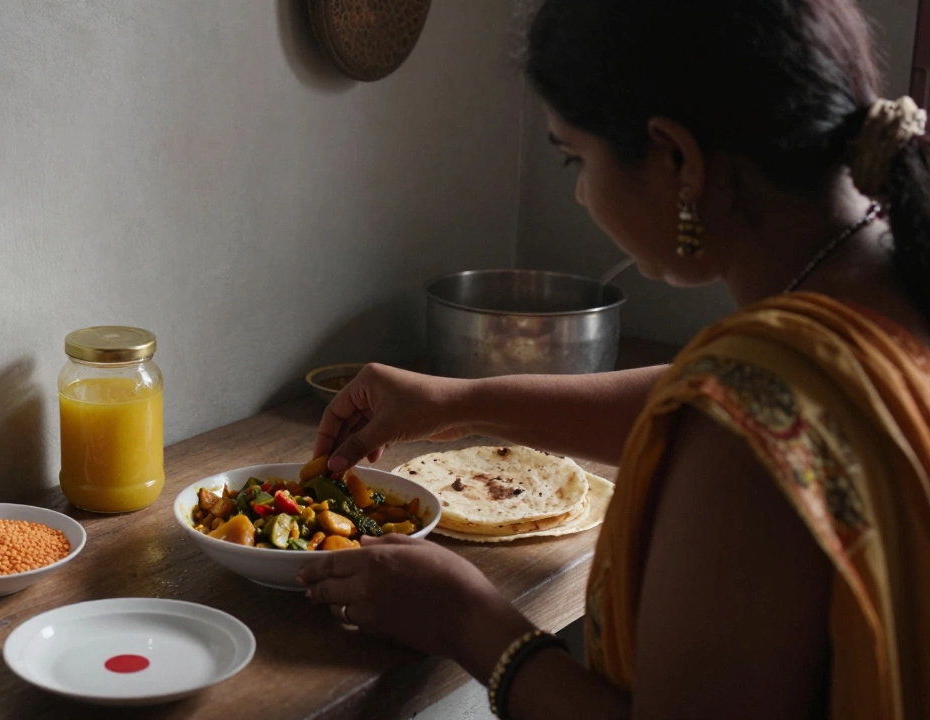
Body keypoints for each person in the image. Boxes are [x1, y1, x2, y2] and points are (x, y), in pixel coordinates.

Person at [298, 1, 930, 718]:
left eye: (577, 158)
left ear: (677, 159)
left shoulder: (749, 418)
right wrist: (458, 401)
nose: (580, 192)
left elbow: (739, 415)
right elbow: (702, 401)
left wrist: (467, 618)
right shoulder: (890, 280)